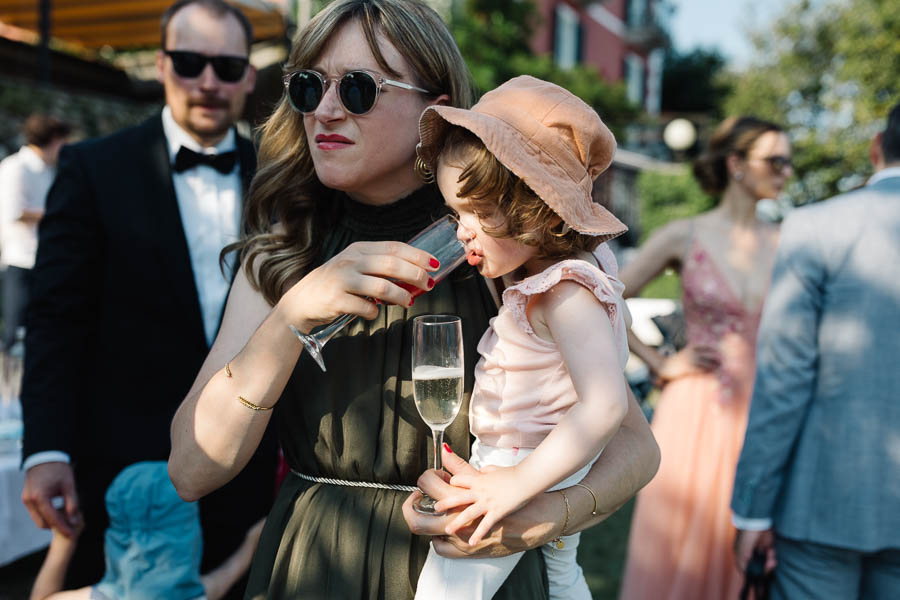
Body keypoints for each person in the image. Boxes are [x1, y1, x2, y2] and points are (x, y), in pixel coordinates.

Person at [167, 1, 660, 598]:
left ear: (434, 108)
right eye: (307, 86)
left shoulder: (499, 244)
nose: (324, 110)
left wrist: (543, 518)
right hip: (318, 568)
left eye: (356, 89)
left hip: (475, 567)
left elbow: (634, 445)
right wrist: (288, 318)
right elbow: (192, 471)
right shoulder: (284, 249)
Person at [20, 0, 277, 595]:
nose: (208, 81)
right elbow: (56, 317)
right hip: (122, 474)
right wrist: (46, 449)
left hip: (248, 470)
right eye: (190, 62)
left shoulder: (282, 176)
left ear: (245, 76)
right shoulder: (94, 168)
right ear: (162, 65)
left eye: (226, 66)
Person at [410, 76, 631, 599]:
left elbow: (604, 405)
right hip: (547, 463)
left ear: (536, 210)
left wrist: (516, 482)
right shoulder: (570, 270)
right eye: (454, 213)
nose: (462, 232)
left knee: (447, 586)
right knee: (560, 579)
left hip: (524, 458)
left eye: (479, 214)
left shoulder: (563, 293)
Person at [618, 116, 792, 600]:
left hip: (764, 409)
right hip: (695, 411)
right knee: (685, 547)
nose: (787, 172)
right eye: (776, 161)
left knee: (752, 545)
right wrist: (659, 363)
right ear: (736, 164)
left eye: (789, 162)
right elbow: (606, 298)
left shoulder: (788, 240)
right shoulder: (684, 235)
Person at [730, 104, 900, 598]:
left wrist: (753, 508)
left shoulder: (815, 228)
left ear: (875, 147)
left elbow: (785, 379)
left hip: (822, 502)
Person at [29, 461, 265, 600]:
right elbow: (231, 569)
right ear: (190, 534)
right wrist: (253, 541)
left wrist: (63, 543)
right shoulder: (194, 594)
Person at [0, 114, 71, 351]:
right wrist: (57, 213)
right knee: (15, 336)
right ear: (53, 139)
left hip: (47, 260)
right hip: (21, 261)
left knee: (45, 335)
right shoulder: (15, 167)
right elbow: (13, 211)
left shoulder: (49, 171)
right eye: (64, 141)